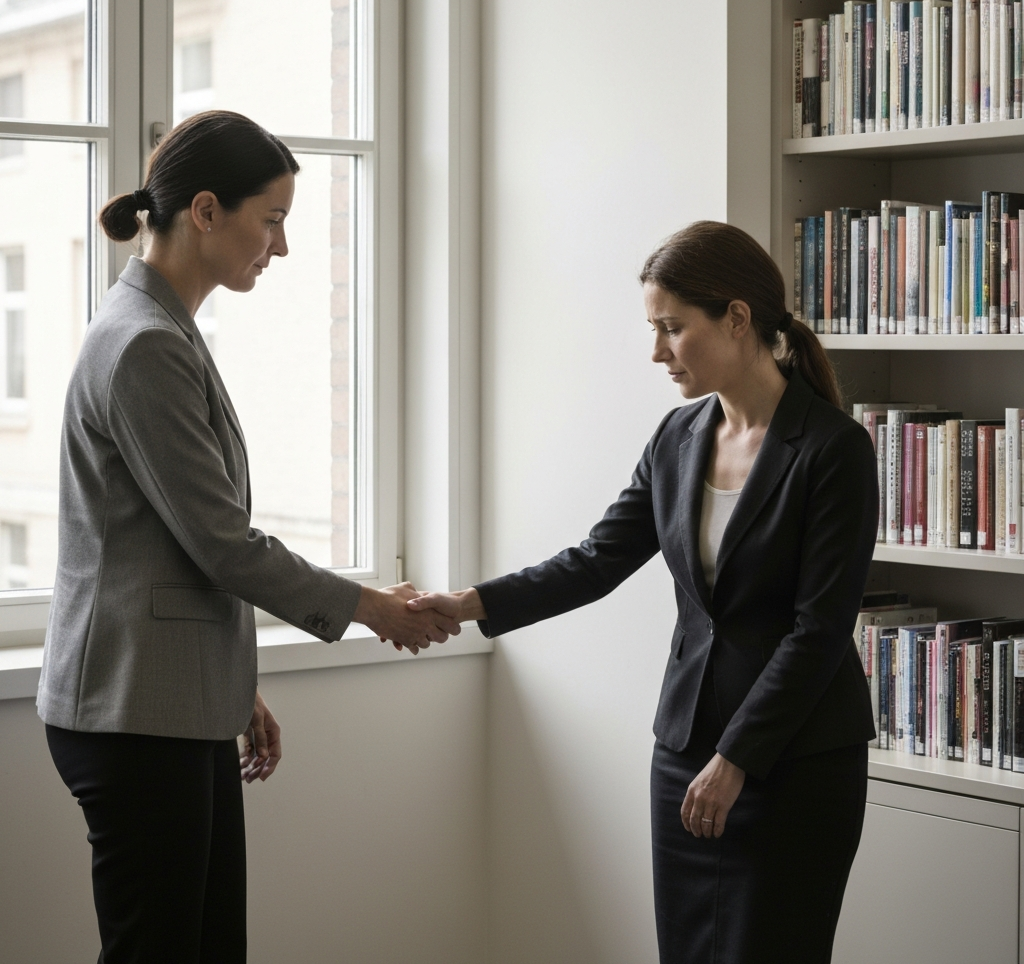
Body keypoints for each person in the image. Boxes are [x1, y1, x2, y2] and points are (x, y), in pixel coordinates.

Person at [37, 110, 457, 964]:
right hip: (129, 714)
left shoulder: (162, 328)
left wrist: (230, 688)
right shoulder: (143, 344)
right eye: (272, 220)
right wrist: (375, 606)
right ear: (203, 212)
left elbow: (169, 549)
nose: (283, 246)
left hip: (163, 701)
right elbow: (221, 542)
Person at [407, 220, 879, 964]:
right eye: (654, 329)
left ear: (736, 318)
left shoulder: (832, 450)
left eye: (672, 329)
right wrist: (467, 604)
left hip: (792, 766)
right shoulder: (677, 437)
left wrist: (738, 759)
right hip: (685, 754)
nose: (657, 351)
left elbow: (818, 630)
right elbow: (596, 561)